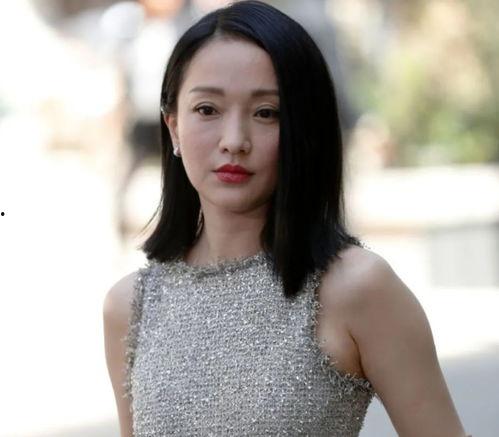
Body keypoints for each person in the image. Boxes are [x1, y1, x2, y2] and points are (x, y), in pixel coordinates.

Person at [103, 1, 470, 436]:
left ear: (303, 129)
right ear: (173, 127)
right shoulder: (130, 307)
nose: (234, 141)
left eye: (266, 113)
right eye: (207, 109)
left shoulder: (357, 287)